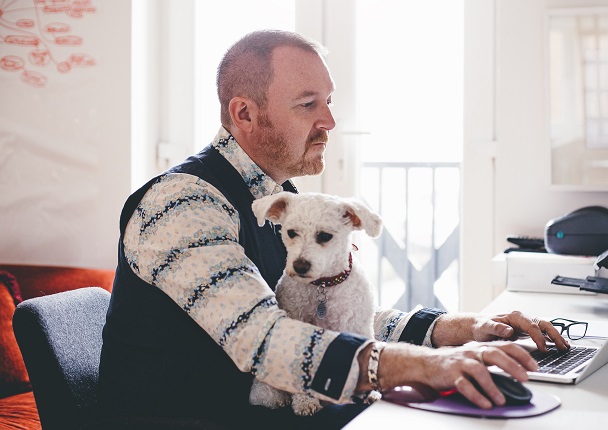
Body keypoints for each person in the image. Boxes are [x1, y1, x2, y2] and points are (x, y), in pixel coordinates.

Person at [97, 29, 570, 429]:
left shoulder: (289, 205)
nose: (330, 121)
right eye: (308, 105)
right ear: (244, 114)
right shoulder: (182, 203)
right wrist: (426, 366)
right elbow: (263, 338)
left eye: (328, 102)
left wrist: (458, 331)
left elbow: (337, 311)